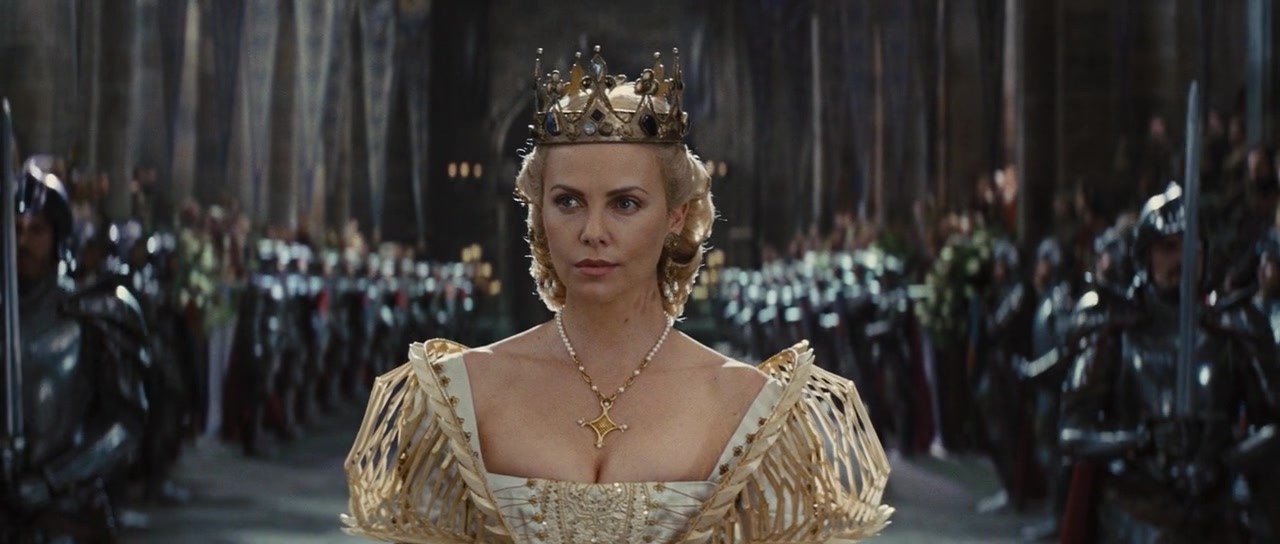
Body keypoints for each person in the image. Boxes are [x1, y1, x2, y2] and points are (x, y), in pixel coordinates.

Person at [342, 46, 893, 543]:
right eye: (568, 202)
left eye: (625, 204)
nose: (593, 232)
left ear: (675, 215)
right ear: (538, 211)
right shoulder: (462, 392)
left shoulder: (746, 403)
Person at [1058, 183, 1280, 542]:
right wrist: (1136, 441)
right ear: (1146, 254)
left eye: (1192, 247)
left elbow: (1272, 424)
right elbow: (1072, 434)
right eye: (1168, 248)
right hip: (1134, 517)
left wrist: (1225, 458)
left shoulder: (1234, 327)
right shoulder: (1115, 325)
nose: (1183, 259)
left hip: (1211, 518)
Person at [1, 157, 150, 542]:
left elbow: (125, 423)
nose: (23, 242)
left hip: (66, 513)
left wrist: (53, 480)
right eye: (16, 229)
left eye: (36, 230)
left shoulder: (93, 314)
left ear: (58, 234)